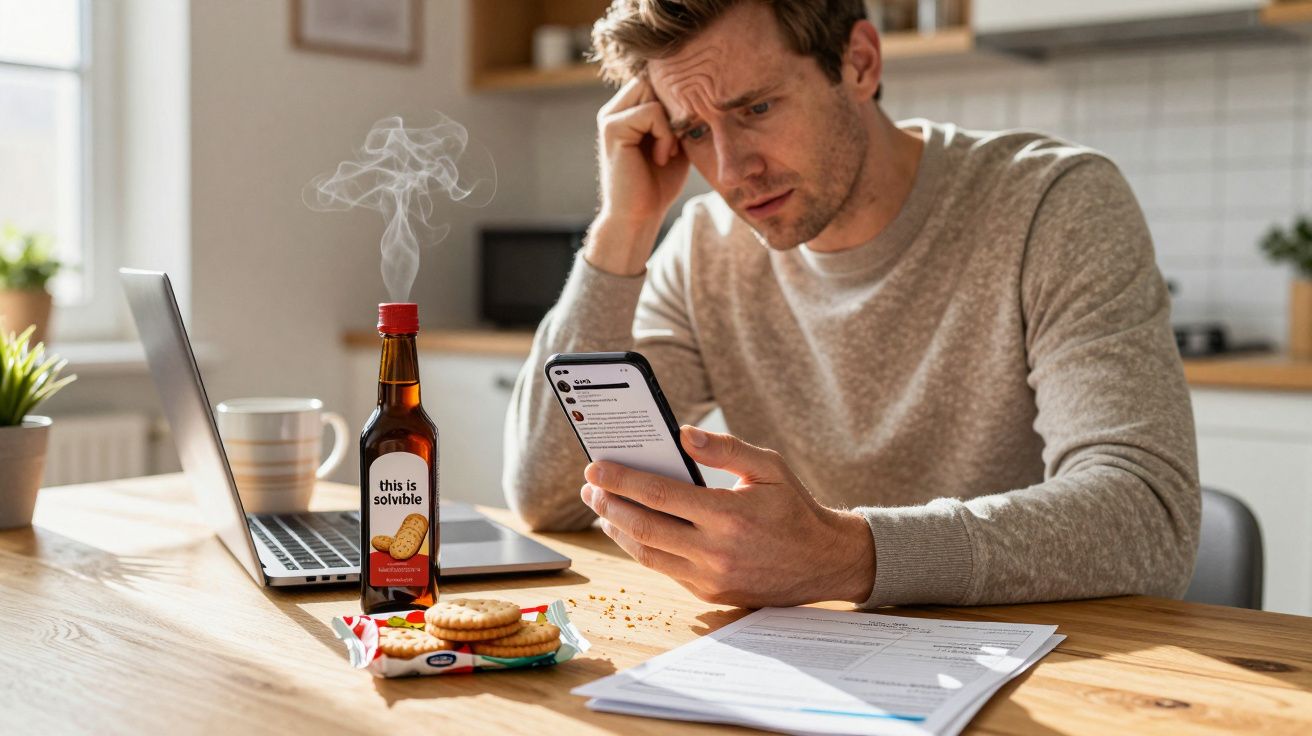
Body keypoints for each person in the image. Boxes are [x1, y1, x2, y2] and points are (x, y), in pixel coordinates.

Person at [503, 0, 1200, 610]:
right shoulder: (704, 248)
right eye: (694, 132)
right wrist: (622, 227)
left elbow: (1148, 516)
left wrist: (845, 555)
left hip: (1034, 664)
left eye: (756, 108)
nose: (731, 169)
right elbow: (548, 493)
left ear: (860, 63)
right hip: (813, 662)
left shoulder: (1054, 204)